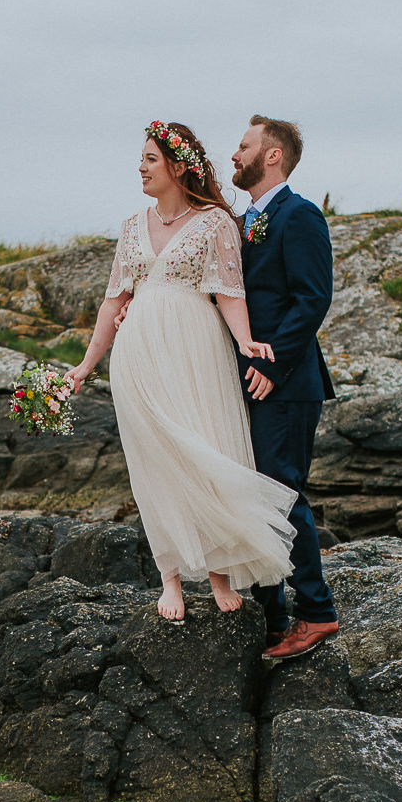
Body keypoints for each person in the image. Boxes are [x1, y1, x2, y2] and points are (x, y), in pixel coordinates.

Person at [68, 122, 299, 622]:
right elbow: (114, 302)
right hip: (139, 354)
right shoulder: (132, 226)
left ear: (177, 166)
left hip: (197, 349)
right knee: (156, 459)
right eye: (142, 158)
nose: (141, 167)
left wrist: (246, 343)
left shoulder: (215, 221)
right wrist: (86, 365)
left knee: (205, 449)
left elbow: (228, 292)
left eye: (150, 158)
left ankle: (218, 572)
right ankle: (169, 578)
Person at [229, 115, 341, 661]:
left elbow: (312, 298)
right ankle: (273, 619)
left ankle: (316, 613)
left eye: (244, 146)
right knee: (253, 498)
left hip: (289, 385)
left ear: (271, 156)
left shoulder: (300, 215)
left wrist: (273, 369)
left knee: (282, 494)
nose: (235, 154)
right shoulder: (242, 222)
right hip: (247, 382)